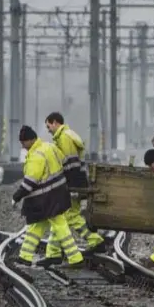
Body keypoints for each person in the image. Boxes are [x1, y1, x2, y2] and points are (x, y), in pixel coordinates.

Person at [11, 125, 84, 268]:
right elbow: (63, 161)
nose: (22, 146)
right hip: (58, 194)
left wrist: (16, 196)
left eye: (23, 142)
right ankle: (25, 257)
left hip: (46, 199)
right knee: (35, 227)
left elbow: (29, 182)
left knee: (60, 227)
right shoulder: (49, 147)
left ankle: (76, 258)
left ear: (30, 140)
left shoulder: (36, 155)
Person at [41, 112, 105, 267]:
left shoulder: (64, 138)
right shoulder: (67, 136)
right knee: (61, 218)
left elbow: (70, 164)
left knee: (69, 217)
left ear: (55, 122)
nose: (48, 129)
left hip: (71, 184)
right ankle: (53, 254)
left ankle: (95, 241)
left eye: (48, 126)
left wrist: (69, 186)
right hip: (74, 182)